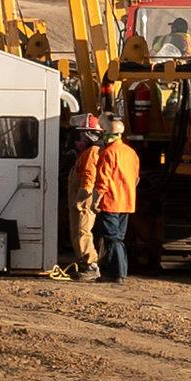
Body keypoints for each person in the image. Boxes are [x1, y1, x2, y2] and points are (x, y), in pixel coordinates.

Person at [74, 114, 141, 283]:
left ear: (105, 133)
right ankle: (116, 273)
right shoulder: (131, 152)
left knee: (112, 238)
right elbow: (136, 178)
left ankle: (118, 274)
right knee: (118, 238)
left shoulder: (107, 153)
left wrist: (95, 201)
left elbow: (102, 181)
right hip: (127, 202)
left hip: (111, 202)